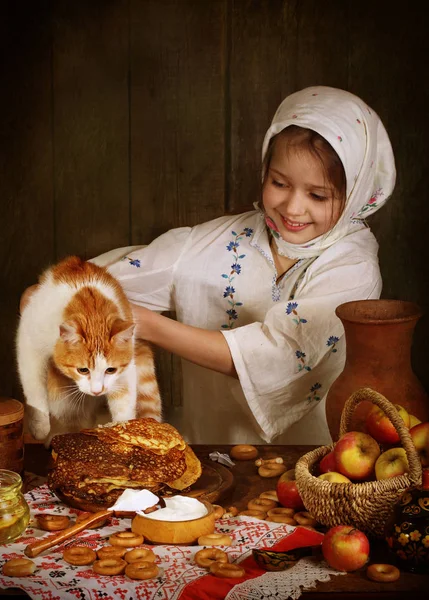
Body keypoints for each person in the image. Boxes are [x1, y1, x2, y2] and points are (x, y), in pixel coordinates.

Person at [22, 86, 396, 445]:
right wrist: (52, 297)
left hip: (321, 470)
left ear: (356, 194)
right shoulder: (212, 243)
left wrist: (147, 324)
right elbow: (90, 288)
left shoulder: (354, 267)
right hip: (209, 455)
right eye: (279, 183)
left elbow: (278, 354)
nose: (293, 208)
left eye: (318, 195)